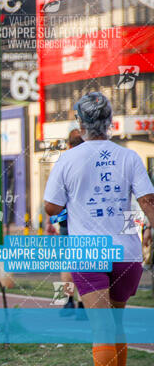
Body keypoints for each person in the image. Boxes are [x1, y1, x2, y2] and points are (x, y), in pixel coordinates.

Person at [44, 92, 154, 366]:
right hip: (126, 254)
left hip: (88, 252)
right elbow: (148, 202)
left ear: (79, 123)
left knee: (102, 329)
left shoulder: (68, 160)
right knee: (115, 325)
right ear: (111, 122)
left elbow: (51, 208)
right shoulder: (129, 157)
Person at [55, 129, 86, 317]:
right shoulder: (92, 162)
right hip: (88, 222)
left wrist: (55, 218)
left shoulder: (63, 164)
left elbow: (54, 198)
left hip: (66, 221)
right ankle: (83, 306)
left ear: (68, 145)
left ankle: (67, 303)